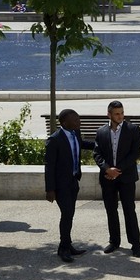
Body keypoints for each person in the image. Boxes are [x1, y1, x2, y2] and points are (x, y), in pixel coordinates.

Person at [93, 101, 140, 258]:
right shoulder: (101, 131)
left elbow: (134, 154)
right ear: (109, 114)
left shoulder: (133, 129)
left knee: (129, 210)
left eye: (122, 113)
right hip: (107, 177)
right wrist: (107, 169)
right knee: (110, 210)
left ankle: (135, 244)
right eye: (116, 113)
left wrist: (117, 171)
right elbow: (97, 154)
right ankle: (114, 241)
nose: (120, 116)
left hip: (126, 177)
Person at [44, 109, 87, 263]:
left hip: (73, 181)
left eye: (78, 119)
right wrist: (50, 189)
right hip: (60, 185)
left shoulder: (75, 133)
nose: (78, 122)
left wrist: (102, 146)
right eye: (75, 120)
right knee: (67, 214)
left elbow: (82, 145)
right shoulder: (55, 140)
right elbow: (49, 166)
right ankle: (63, 249)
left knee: (70, 215)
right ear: (64, 123)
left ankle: (67, 245)